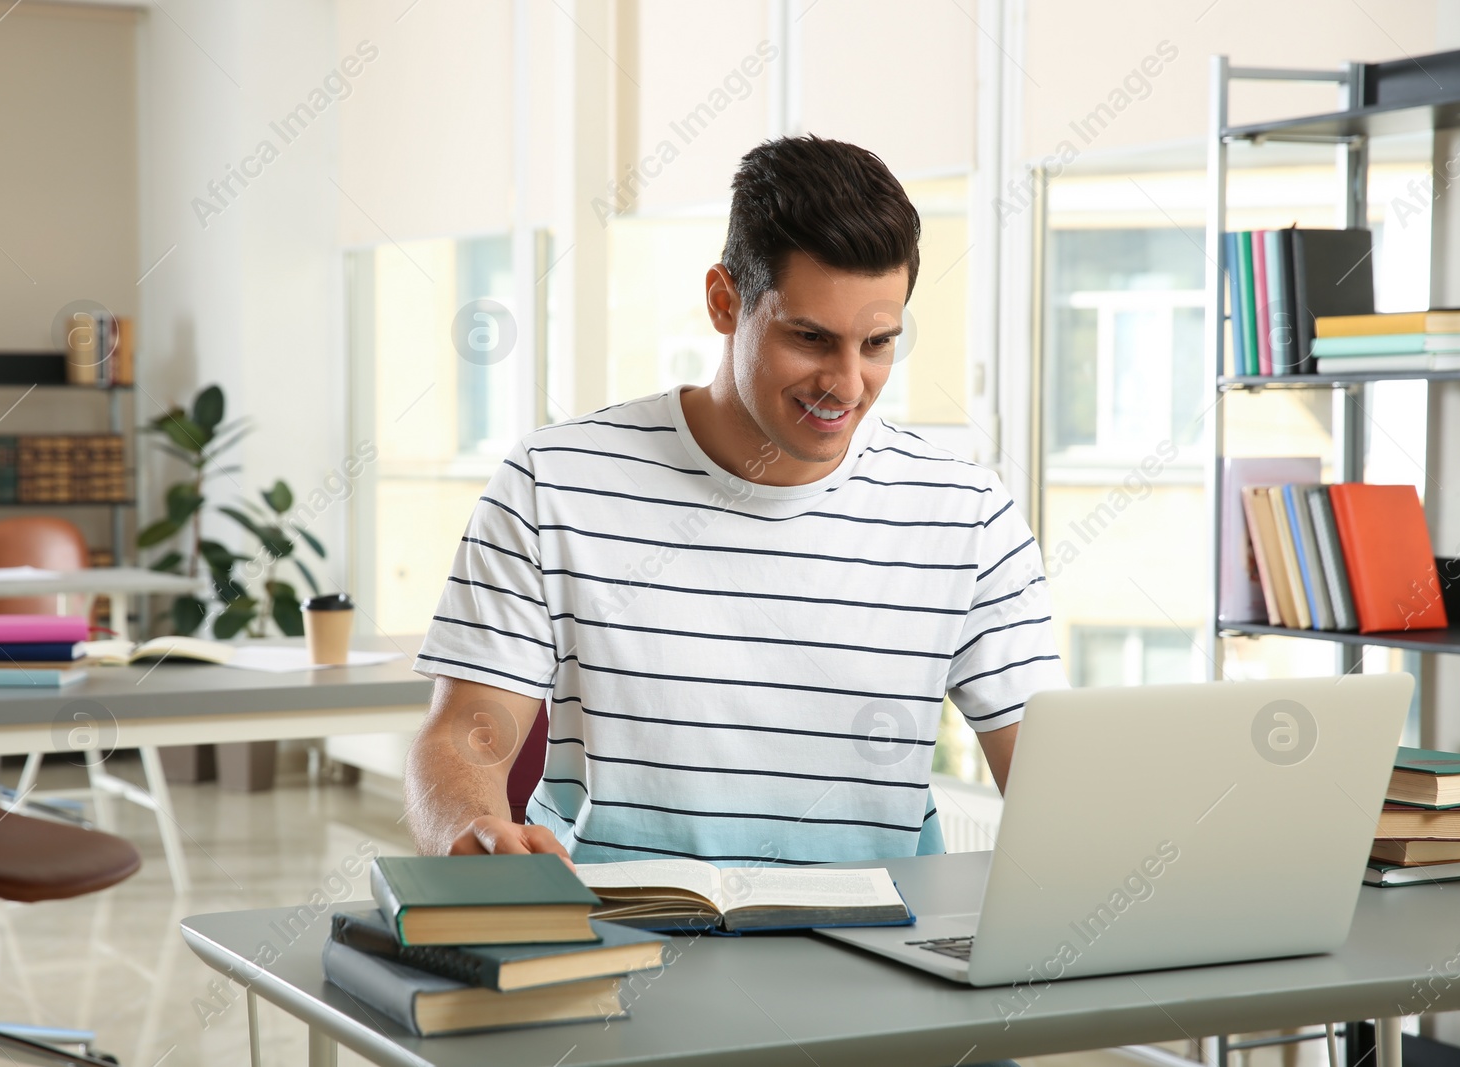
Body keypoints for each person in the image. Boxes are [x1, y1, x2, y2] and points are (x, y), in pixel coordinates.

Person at [404, 134, 1067, 866]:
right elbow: (465, 732)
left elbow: (1054, 784)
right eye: (810, 338)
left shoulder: (966, 513)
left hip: (880, 949)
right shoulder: (551, 483)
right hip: (611, 940)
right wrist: (472, 825)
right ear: (725, 301)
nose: (847, 384)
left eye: (878, 343)